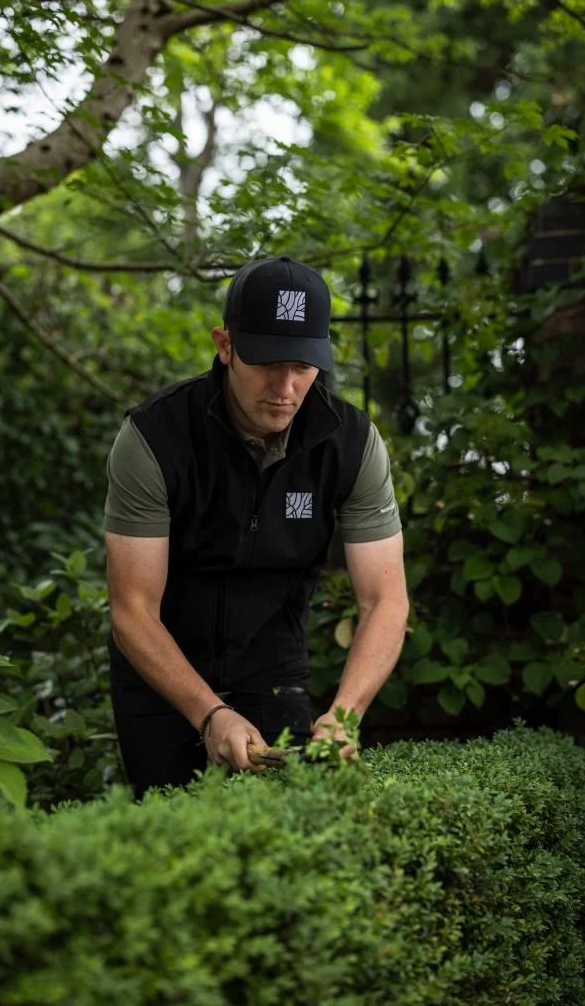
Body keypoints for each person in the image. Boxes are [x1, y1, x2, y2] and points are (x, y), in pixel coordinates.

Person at [104, 255, 409, 798]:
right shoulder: (155, 436)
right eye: (267, 362)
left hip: (273, 665)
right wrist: (209, 713)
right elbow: (132, 610)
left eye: (302, 365)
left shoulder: (353, 444)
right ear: (225, 346)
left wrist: (345, 714)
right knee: (170, 847)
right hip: (161, 671)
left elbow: (386, 600)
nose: (286, 387)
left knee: (280, 839)